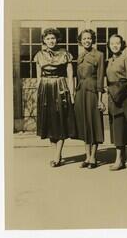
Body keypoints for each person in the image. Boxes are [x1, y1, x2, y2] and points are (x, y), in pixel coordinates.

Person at [34, 28, 76, 167]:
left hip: (60, 87)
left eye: (53, 38)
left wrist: (71, 93)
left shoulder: (65, 54)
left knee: (60, 121)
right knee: (49, 122)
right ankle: (55, 154)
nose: (51, 41)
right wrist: (37, 94)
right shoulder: (39, 55)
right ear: (44, 41)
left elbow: (70, 76)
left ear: (57, 39)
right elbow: (38, 77)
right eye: (48, 39)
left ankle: (57, 155)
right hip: (45, 89)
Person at [74, 29, 105, 169]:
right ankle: (87, 156)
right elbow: (77, 77)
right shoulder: (80, 56)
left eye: (89, 38)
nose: (87, 41)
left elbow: (100, 79)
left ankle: (93, 157)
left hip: (93, 92)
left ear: (93, 40)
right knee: (85, 123)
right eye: (84, 38)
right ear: (81, 41)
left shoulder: (99, 55)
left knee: (94, 122)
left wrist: (100, 99)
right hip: (81, 93)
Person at [106, 34, 127, 171]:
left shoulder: (125, 59)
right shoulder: (110, 60)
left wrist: (120, 91)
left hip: (122, 96)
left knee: (120, 127)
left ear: (122, 44)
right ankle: (123, 158)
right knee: (116, 127)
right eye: (112, 43)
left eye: (117, 43)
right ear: (109, 45)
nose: (115, 46)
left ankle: (119, 160)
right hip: (112, 96)